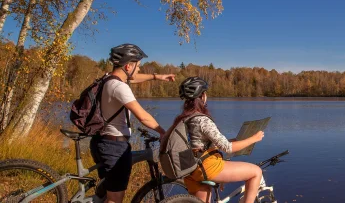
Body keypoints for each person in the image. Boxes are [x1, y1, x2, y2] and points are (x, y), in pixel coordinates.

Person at [89, 43, 175, 203]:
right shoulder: (119, 87)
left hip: (102, 141)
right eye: (139, 66)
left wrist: (158, 77)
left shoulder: (108, 79)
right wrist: (164, 132)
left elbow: (134, 77)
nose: (140, 70)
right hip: (114, 146)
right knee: (115, 199)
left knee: (107, 194)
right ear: (128, 66)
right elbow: (143, 116)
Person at [172, 76, 265, 203]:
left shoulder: (184, 118)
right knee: (256, 172)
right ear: (203, 96)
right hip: (207, 167)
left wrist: (235, 140)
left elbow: (201, 144)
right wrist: (254, 139)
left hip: (190, 168)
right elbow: (228, 148)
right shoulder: (202, 120)